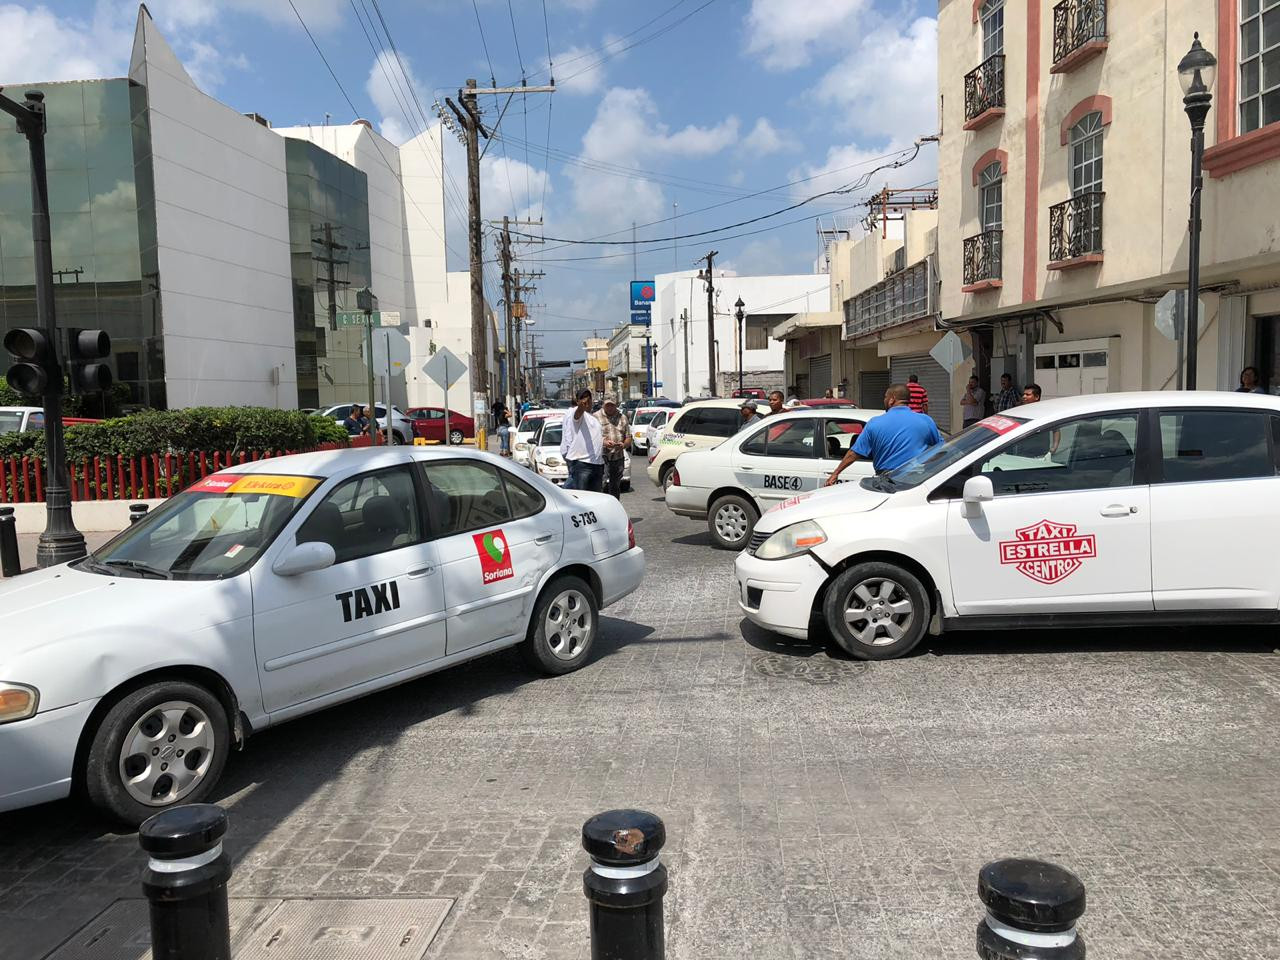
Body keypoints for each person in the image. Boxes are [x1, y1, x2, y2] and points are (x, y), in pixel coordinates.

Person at [824, 383, 942, 484]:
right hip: (918, 480)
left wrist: (836, 473)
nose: (884, 400)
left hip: (887, 481)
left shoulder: (875, 423)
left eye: (886, 397)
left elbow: (854, 453)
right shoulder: (926, 420)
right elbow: (943, 449)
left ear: (892, 399)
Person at [560, 388, 604, 491]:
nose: (586, 401)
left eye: (589, 398)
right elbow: (577, 414)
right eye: (583, 398)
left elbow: (596, 437)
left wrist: (605, 442)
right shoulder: (577, 414)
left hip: (597, 464)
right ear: (577, 401)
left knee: (595, 498)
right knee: (581, 497)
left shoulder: (593, 418)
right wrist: (581, 407)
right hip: (583, 464)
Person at [595, 394, 630, 499]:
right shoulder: (595, 417)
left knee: (615, 486)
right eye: (607, 405)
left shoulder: (622, 418)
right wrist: (604, 442)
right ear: (603, 405)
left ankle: (614, 509)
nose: (609, 408)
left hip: (617, 457)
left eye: (612, 405)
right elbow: (591, 438)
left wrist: (623, 445)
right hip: (602, 457)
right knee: (600, 485)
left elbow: (628, 437)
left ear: (616, 405)